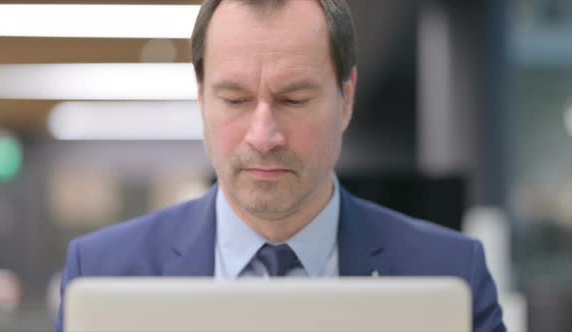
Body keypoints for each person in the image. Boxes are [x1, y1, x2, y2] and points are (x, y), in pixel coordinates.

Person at [55, 1, 506, 331]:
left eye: (293, 100)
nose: (263, 135)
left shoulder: (450, 274)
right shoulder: (102, 272)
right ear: (201, 99)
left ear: (346, 98)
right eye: (235, 99)